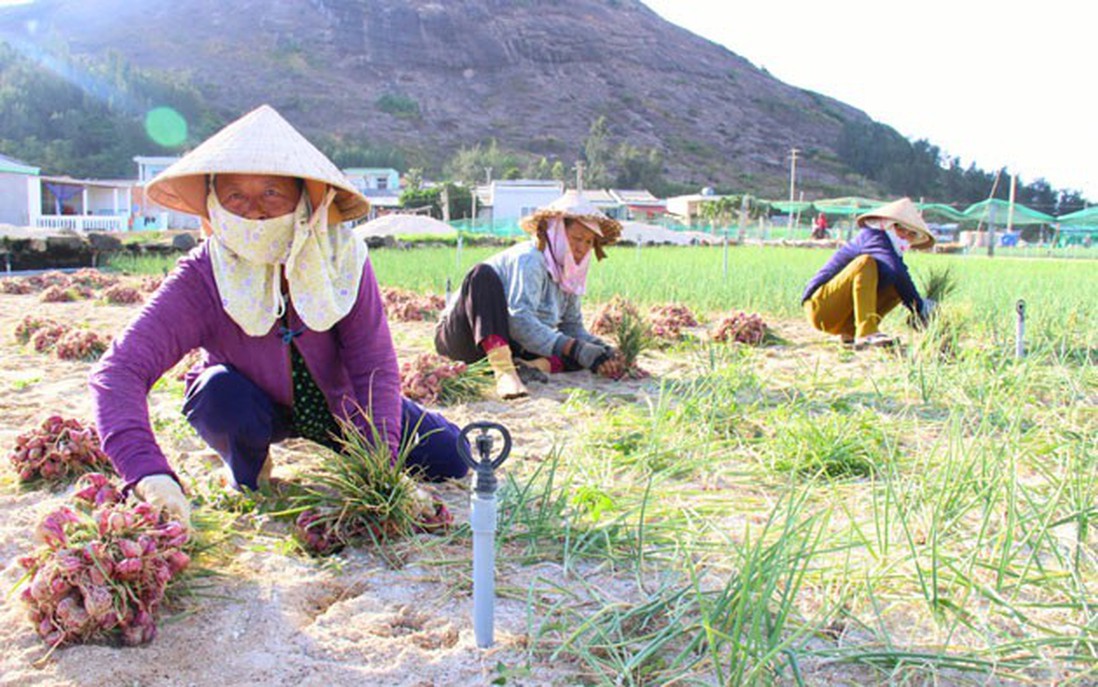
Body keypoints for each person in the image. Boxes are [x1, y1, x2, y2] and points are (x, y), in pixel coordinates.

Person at [89, 105, 468, 526]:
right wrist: (149, 474)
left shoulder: (342, 260)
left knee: (453, 457)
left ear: (305, 200)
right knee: (218, 393)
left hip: (340, 404)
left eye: (272, 192)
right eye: (235, 196)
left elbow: (373, 365)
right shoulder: (203, 274)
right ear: (214, 205)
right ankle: (248, 466)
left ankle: (372, 442)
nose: (254, 211)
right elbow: (118, 371)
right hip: (251, 408)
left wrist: (381, 468)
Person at [434, 190, 625, 399]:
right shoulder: (530, 260)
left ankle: (530, 366)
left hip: (512, 346)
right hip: (467, 338)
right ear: (557, 234)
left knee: (578, 354)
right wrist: (575, 347)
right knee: (482, 275)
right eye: (577, 239)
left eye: (589, 242)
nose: (582, 248)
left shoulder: (570, 274)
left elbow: (572, 327)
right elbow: (520, 321)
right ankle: (505, 372)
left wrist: (604, 350)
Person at [801, 197, 936, 349]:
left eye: (912, 234)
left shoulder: (891, 250)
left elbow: (901, 277)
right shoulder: (873, 237)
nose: (905, 236)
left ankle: (850, 332)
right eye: (901, 229)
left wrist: (918, 312)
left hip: (842, 318)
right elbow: (896, 270)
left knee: (898, 287)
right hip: (820, 309)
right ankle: (867, 332)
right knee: (865, 263)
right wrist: (921, 306)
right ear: (889, 225)